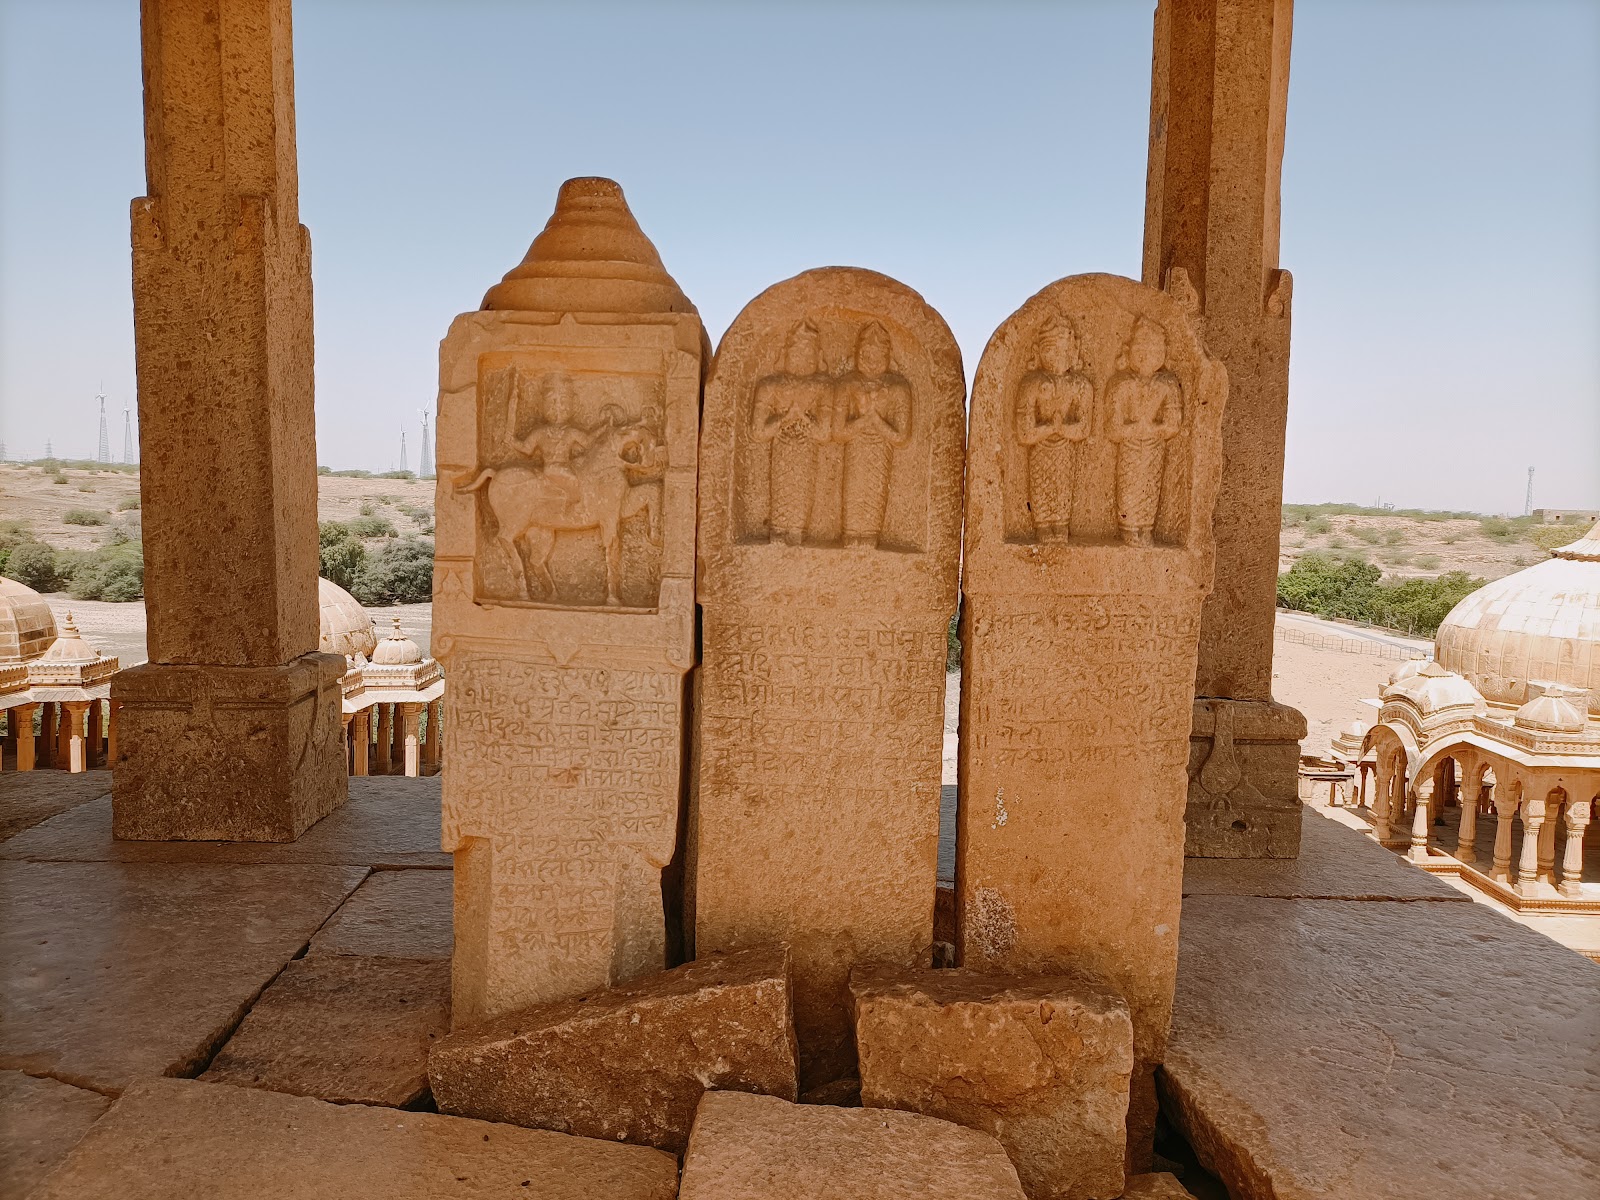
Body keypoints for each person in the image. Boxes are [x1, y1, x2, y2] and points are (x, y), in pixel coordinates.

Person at [751, 321, 832, 544]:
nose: (801, 357)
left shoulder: (822, 387)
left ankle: (796, 535)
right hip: (781, 452)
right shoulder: (771, 386)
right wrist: (785, 418)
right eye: (797, 351)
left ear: (818, 356)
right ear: (785, 353)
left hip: (807, 454)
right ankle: (777, 534)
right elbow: (758, 432)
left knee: (800, 498)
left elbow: (824, 434)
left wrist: (803, 417)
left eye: (808, 352)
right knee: (781, 497)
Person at [1014, 315, 1092, 542]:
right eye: (1051, 350)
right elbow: (1024, 433)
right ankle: (1042, 527)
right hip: (1041, 450)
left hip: (1065, 450)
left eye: (1063, 350)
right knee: (1041, 490)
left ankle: (1060, 527)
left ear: (1074, 350)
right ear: (1038, 352)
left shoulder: (1080, 386)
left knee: (1062, 492)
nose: (1058, 356)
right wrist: (1051, 428)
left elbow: (1083, 428)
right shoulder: (1031, 384)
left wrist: (1061, 429)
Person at [1106, 317, 1182, 546]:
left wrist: (1153, 428)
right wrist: (1134, 428)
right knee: (1129, 487)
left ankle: (1146, 529)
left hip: (1154, 446)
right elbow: (1112, 429)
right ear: (1129, 351)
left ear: (1164, 352)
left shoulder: (1167, 384)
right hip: (1130, 447)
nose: (1147, 354)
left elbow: (1173, 424)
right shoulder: (1121, 384)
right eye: (1141, 347)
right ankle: (1128, 529)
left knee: (1150, 487)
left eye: (1154, 348)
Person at [836, 321, 912, 548]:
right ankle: (850, 537)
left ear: (887, 355)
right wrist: (863, 420)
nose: (871, 357)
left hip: (880, 451)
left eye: (877, 352)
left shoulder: (898, 388)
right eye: (866, 352)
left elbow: (901, 437)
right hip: (855, 450)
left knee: (874, 494)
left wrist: (875, 419)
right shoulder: (848, 384)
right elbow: (839, 433)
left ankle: (869, 538)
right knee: (853, 493)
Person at [514, 370, 590, 515]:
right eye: (551, 402)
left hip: (566, 467)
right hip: (553, 469)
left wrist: (605, 428)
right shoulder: (540, 432)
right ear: (541, 405)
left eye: (563, 401)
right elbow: (526, 448)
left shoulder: (571, 432)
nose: (557, 408)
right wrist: (511, 440)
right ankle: (575, 505)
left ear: (574, 403)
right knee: (575, 480)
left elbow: (589, 443)